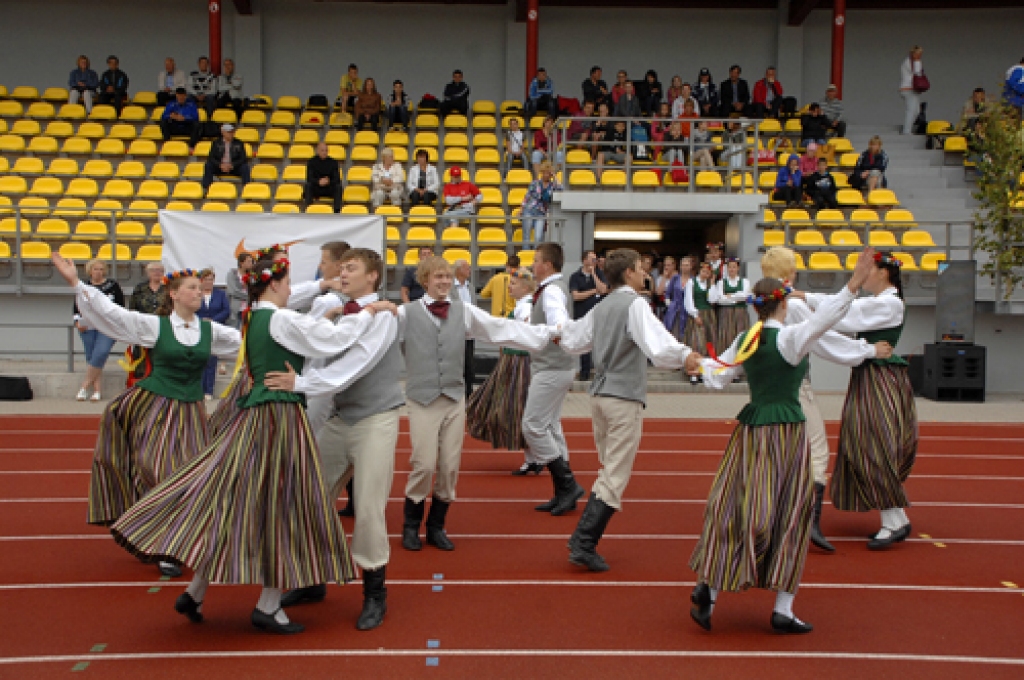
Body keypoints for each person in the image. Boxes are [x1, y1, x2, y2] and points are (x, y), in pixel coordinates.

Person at [109, 246, 394, 635]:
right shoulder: (281, 318)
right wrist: (370, 312)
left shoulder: (254, 316)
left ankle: (197, 590)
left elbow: (308, 332)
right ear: (274, 285)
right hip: (278, 418)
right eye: (287, 282)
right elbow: (330, 340)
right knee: (282, 505)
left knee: (236, 500)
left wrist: (333, 316)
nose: (291, 289)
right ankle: (268, 605)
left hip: (253, 417)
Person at [688, 247, 879, 634]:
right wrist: (853, 285)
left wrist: (692, 362)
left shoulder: (746, 338)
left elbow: (716, 377)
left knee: (737, 506)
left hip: (750, 431)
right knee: (790, 514)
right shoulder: (791, 338)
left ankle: (711, 588)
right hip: (786, 432)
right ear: (783, 304)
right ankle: (783, 608)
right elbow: (826, 319)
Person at [53, 256, 242, 579]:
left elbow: (249, 342)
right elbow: (113, 314)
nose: (199, 292)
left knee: (189, 477)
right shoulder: (155, 326)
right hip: (156, 406)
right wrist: (75, 282)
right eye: (192, 288)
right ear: (174, 294)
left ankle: (162, 537)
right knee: (159, 469)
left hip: (191, 412)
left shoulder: (211, 331)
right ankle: (165, 546)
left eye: (200, 288)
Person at [272, 248, 401, 631]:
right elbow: (314, 349)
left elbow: (351, 367)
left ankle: (375, 593)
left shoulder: (382, 315)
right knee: (310, 497)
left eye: (351, 268)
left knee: (369, 507)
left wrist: (301, 384)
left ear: (372, 276)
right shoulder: (338, 312)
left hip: (375, 418)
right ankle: (311, 579)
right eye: (341, 268)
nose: (342, 273)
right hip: (340, 417)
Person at [558, 249, 702, 572]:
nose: (644, 274)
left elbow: (575, 340)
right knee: (615, 473)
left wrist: (556, 334)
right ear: (628, 273)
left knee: (608, 469)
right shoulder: (634, 304)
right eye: (639, 268)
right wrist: (684, 355)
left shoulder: (602, 305)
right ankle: (584, 541)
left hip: (599, 395)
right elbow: (657, 344)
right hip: (622, 397)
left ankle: (583, 539)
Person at [399, 256, 552, 551]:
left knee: (449, 466)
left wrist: (547, 334)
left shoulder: (464, 311)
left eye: (447, 276)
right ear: (425, 280)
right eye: (438, 277)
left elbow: (500, 328)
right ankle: (410, 526)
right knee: (423, 463)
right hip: (422, 399)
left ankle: (436, 526)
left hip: (454, 398)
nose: (444, 281)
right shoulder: (405, 314)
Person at [761, 246, 889, 554]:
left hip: (768, 388)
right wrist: (868, 350)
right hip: (795, 387)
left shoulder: (766, 301)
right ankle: (809, 521)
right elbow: (824, 338)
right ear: (789, 272)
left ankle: (772, 515)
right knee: (816, 452)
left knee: (778, 452)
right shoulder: (791, 304)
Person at [803, 252, 918, 550]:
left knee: (873, 444)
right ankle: (895, 518)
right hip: (871, 376)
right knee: (867, 443)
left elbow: (848, 314)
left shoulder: (890, 303)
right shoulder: (883, 301)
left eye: (869, 269)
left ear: (883, 272)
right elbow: (846, 309)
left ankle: (895, 521)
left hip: (880, 378)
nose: (864, 274)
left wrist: (804, 298)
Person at [523, 243, 586, 517]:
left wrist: (558, 331)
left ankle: (567, 485)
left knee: (532, 426)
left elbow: (558, 320)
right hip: (558, 365)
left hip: (551, 367)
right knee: (550, 425)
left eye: (536, 260)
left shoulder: (551, 291)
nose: (533, 265)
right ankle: (563, 491)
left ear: (547, 265)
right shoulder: (552, 289)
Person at [467, 268, 538, 474]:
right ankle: (534, 457)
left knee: (517, 408)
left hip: (518, 361)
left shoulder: (526, 308)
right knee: (514, 408)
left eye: (513, 284)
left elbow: (527, 333)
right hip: (512, 359)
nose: (509, 287)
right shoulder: (521, 306)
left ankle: (535, 457)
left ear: (525, 287)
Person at [74, 259, 124, 402]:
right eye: (96, 269)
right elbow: (76, 306)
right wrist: (77, 322)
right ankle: (97, 391)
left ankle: (84, 386)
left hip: (108, 327)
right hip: (88, 326)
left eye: (101, 269)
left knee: (101, 352)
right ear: (90, 271)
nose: (99, 272)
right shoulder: (84, 286)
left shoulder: (113, 285)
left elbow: (120, 305)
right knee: (92, 357)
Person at [569, 250, 608, 381]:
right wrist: (593, 291)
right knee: (584, 343)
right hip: (582, 314)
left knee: (599, 343)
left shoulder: (600, 274)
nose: (594, 262)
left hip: (598, 314)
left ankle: (600, 371)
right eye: (592, 259)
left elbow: (603, 289)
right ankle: (584, 371)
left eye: (595, 259)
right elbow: (576, 296)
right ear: (584, 260)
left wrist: (594, 275)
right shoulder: (575, 276)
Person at [197, 269, 231, 400]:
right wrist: (201, 321)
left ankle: (209, 390)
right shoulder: (197, 293)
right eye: (206, 279)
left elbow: (226, 310)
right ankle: (199, 389)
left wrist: (213, 320)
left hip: (215, 329)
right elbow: (191, 309)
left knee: (212, 359)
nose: (208, 282)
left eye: (211, 279)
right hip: (199, 329)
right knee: (201, 359)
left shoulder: (220, 294)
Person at [710, 258, 751, 353]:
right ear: (727, 268)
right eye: (730, 267)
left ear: (738, 268)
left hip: (740, 312)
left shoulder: (745, 281)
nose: (732, 269)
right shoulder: (721, 282)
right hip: (726, 312)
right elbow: (720, 299)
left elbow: (745, 296)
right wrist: (736, 299)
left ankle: (741, 354)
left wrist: (730, 296)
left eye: (734, 267)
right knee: (726, 334)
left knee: (740, 333)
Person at [683, 261, 716, 372]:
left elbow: (712, 300)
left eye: (707, 273)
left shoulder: (709, 284)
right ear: (699, 271)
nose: (705, 274)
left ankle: (707, 368)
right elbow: (688, 300)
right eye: (703, 271)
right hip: (697, 313)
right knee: (697, 342)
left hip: (709, 314)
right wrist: (695, 315)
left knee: (709, 341)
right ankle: (694, 368)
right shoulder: (691, 282)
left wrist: (712, 285)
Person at [452, 258, 477, 397]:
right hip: (455, 330)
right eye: (467, 268)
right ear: (458, 270)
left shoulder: (470, 287)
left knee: (469, 362)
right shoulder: (450, 287)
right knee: (456, 362)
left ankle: (468, 392)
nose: (469, 270)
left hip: (469, 330)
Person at [520, 161, 562, 243]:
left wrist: (554, 176)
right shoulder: (535, 183)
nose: (546, 175)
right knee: (526, 236)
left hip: (541, 212)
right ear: (542, 173)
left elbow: (561, 188)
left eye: (548, 173)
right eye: (544, 173)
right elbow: (527, 196)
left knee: (538, 237)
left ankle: (537, 251)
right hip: (529, 210)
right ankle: (525, 250)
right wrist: (521, 209)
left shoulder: (552, 185)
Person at [202, 124, 250, 190]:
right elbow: (211, 158)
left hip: (233, 167)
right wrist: (220, 165)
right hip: (220, 167)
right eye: (228, 132)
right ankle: (206, 188)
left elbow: (243, 158)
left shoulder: (239, 143)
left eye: (232, 132)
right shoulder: (216, 143)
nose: (231, 134)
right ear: (223, 132)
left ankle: (247, 189)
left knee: (245, 167)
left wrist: (232, 165)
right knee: (208, 165)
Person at [302, 142, 342, 213]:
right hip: (317, 187)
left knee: (338, 187)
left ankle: (337, 212)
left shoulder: (333, 162)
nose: (324, 152)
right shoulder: (311, 162)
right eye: (322, 150)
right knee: (308, 186)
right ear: (318, 151)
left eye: (326, 150)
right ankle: (308, 210)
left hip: (328, 187)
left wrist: (328, 181)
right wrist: (318, 181)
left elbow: (337, 179)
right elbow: (309, 178)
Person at [662, 256, 690, 340]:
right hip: (674, 309)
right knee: (672, 332)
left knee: (685, 333)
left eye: (687, 265)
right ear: (680, 266)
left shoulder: (693, 280)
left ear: (690, 266)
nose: (685, 267)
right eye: (683, 265)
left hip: (687, 310)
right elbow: (667, 293)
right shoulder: (675, 278)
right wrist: (669, 304)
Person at [900, 46, 925, 135]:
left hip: (906, 88)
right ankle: (906, 131)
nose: (920, 55)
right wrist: (918, 62)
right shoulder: (914, 62)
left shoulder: (906, 61)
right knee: (911, 110)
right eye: (919, 54)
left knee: (916, 111)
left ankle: (908, 128)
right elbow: (918, 73)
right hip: (909, 88)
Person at [226, 252, 253, 328]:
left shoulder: (252, 275)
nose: (251, 264)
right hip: (235, 309)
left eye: (251, 261)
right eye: (248, 261)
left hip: (248, 309)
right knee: (234, 330)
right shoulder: (232, 274)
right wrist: (249, 297)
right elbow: (233, 291)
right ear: (241, 263)